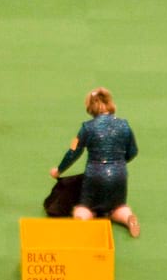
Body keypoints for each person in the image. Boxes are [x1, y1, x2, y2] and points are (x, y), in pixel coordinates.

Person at [50, 87, 140, 236]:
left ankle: (81, 219)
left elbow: (73, 151)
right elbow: (133, 152)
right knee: (118, 207)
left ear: (90, 107)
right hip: (119, 175)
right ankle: (128, 217)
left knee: (85, 207)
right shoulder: (125, 125)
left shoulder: (86, 128)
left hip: (94, 176)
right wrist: (119, 162)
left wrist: (58, 170)